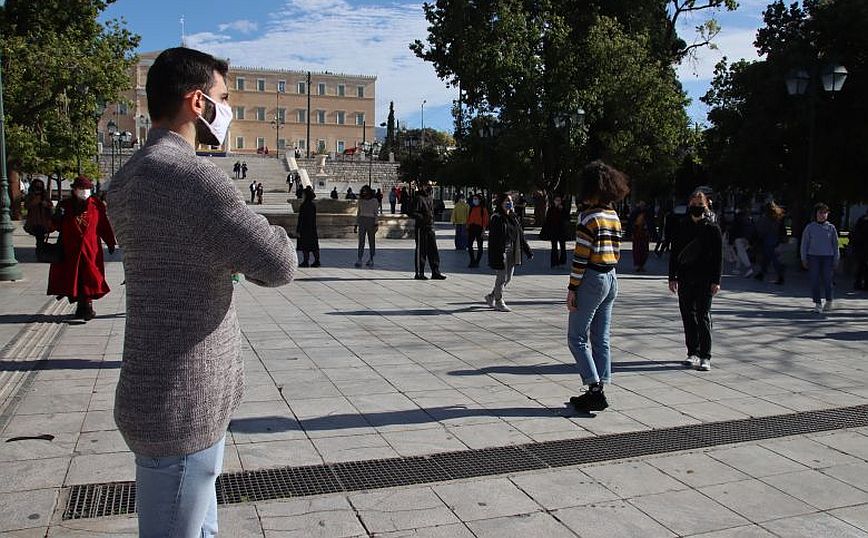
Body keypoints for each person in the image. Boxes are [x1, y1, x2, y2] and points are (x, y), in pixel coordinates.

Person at [106, 47, 296, 537]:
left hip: (153, 383)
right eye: (223, 98)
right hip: (186, 397)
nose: (228, 109)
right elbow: (278, 264)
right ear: (197, 102)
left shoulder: (128, 177)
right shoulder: (192, 178)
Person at [566, 162, 629, 412]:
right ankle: (601, 384)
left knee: (576, 337)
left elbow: (581, 257)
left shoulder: (588, 218)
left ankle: (593, 388)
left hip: (592, 278)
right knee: (601, 337)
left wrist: (573, 287)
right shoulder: (613, 216)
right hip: (612, 277)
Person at [47, 176, 116, 321]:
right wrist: (56, 218)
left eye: (87, 189)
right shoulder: (65, 205)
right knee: (75, 279)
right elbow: (55, 226)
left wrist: (110, 242)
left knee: (90, 278)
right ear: (74, 190)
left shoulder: (96, 205)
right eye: (82, 189)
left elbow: (103, 225)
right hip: (70, 249)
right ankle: (82, 306)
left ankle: (87, 306)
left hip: (91, 249)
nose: (85, 192)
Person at [669, 190, 723, 372]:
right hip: (685, 277)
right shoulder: (682, 226)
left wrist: (716, 280)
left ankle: (705, 356)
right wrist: (672, 276)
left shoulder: (712, 228)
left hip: (705, 278)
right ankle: (692, 352)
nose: (697, 207)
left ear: (707, 206)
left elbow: (718, 257)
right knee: (688, 315)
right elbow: (674, 253)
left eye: (701, 205)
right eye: (694, 203)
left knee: (703, 315)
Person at [485, 193, 533, 312]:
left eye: (510, 201)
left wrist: (527, 250)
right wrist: (497, 254)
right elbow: (494, 239)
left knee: (508, 278)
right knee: (502, 277)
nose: (509, 203)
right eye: (506, 201)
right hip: (501, 251)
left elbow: (520, 235)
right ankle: (499, 301)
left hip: (513, 250)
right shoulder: (497, 217)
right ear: (500, 203)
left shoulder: (513, 217)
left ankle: (491, 296)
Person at [800, 203, 840, 312]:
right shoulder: (810, 227)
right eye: (820, 213)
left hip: (828, 257)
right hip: (813, 257)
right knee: (814, 280)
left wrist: (836, 258)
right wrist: (803, 258)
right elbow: (804, 244)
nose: (822, 215)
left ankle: (829, 300)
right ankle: (817, 303)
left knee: (828, 279)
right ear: (816, 214)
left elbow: (835, 244)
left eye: (825, 213)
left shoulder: (831, 228)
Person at [411, 181, 445, 280]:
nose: (429, 187)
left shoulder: (430, 197)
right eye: (427, 185)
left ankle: (435, 271)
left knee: (433, 250)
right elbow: (412, 212)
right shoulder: (418, 198)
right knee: (421, 250)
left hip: (430, 227)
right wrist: (422, 217)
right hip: (421, 227)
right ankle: (419, 273)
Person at [754, 201, 786, 284]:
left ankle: (780, 274)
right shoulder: (777, 217)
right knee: (767, 257)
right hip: (775, 239)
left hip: (768, 239)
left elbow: (761, 229)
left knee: (772, 258)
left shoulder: (766, 218)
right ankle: (762, 273)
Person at [23, 178, 54, 253]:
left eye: (40, 187)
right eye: (37, 186)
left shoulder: (44, 195)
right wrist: (35, 201)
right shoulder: (30, 195)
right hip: (34, 220)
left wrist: (46, 204)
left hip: (44, 220)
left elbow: (50, 205)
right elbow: (26, 206)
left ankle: (40, 250)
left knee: (41, 236)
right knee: (39, 236)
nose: (38, 189)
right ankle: (40, 250)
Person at [543, 195, 571, 268]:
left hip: (561, 230)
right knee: (554, 247)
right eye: (556, 200)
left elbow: (567, 218)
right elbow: (548, 220)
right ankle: (554, 263)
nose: (557, 202)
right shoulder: (551, 209)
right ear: (554, 201)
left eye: (559, 200)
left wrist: (562, 210)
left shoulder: (563, 209)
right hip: (553, 230)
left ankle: (562, 262)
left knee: (562, 247)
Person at [297, 186, 321, 267]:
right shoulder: (312, 205)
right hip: (312, 228)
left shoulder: (304, 206)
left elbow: (301, 219)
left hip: (304, 228)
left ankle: (306, 261)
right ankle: (317, 260)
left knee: (305, 246)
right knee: (314, 246)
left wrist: (298, 230)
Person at [355, 185, 379, 267]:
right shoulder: (361, 200)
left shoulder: (374, 200)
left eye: (366, 191)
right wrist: (356, 223)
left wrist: (376, 223)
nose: (364, 192)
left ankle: (371, 258)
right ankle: (359, 258)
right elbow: (358, 212)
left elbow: (376, 213)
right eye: (363, 191)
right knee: (361, 240)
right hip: (362, 220)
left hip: (371, 220)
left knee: (371, 240)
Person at [728, 208, 755, 277]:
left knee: (741, 253)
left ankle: (749, 268)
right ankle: (738, 268)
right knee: (741, 253)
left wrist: (730, 241)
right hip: (746, 238)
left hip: (739, 238)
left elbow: (733, 230)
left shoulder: (737, 220)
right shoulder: (748, 219)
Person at [466, 192, 489, 268]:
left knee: (480, 246)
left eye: (476, 199)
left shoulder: (483, 209)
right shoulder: (472, 208)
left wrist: (483, 230)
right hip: (472, 227)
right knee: (469, 245)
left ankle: (477, 261)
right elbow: (469, 218)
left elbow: (485, 220)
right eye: (474, 199)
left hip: (479, 228)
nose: (474, 200)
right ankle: (472, 260)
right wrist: (468, 226)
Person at [630, 202, 652, 272]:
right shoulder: (635, 213)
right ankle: (638, 265)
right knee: (637, 250)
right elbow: (631, 223)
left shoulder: (647, 214)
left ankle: (642, 265)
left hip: (645, 235)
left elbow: (650, 224)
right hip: (637, 234)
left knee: (644, 250)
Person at [853, 210, 868, 291]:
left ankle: (858, 283)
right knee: (864, 267)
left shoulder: (861, 219)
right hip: (863, 247)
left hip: (860, 247)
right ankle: (864, 284)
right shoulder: (864, 221)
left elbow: (856, 234)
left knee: (861, 267)